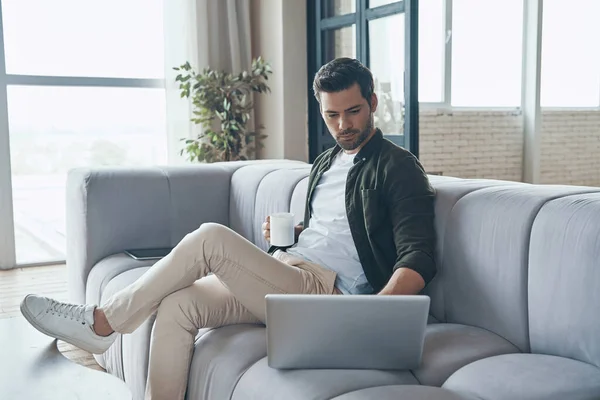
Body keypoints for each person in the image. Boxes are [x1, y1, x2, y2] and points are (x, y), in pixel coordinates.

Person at [20, 57, 437, 400]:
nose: (343, 124)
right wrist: (287, 237)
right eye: (332, 115)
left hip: (325, 296)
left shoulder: (398, 166)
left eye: (353, 111)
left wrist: (373, 318)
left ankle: (101, 323)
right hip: (290, 271)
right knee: (178, 306)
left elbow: (417, 256)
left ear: (374, 103)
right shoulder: (326, 162)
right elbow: (337, 232)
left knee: (210, 237)